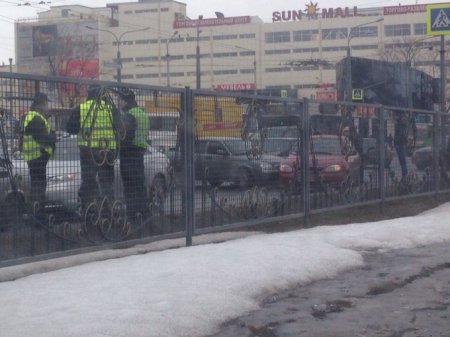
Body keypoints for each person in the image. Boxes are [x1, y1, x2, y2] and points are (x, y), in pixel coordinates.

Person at [66, 85, 118, 210]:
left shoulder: (82, 108)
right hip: (108, 152)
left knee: (89, 182)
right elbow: (120, 129)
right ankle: (108, 211)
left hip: (88, 152)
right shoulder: (111, 109)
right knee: (107, 183)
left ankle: (89, 210)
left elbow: (70, 129)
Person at [117, 88, 150, 222]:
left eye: (120, 100)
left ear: (125, 101)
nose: (119, 103)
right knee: (139, 186)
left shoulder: (130, 115)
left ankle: (132, 217)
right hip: (139, 154)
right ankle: (145, 215)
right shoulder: (142, 113)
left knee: (129, 187)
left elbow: (125, 136)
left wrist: (119, 145)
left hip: (129, 154)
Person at [21, 93, 56, 207]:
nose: (47, 107)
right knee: (38, 187)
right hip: (37, 157)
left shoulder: (33, 116)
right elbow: (44, 139)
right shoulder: (35, 117)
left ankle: (38, 209)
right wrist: (54, 137)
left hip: (34, 157)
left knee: (38, 185)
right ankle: (37, 213)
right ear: (41, 104)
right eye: (46, 104)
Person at [393, 110, 408, 180]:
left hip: (400, 143)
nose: (394, 117)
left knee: (402, 160)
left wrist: (396, 142)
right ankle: (404, 175)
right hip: (401, 143)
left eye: (395, 115)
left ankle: (405, 176)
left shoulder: (400, 124)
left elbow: (400, 135)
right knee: (402, 161)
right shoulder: (402, 124)